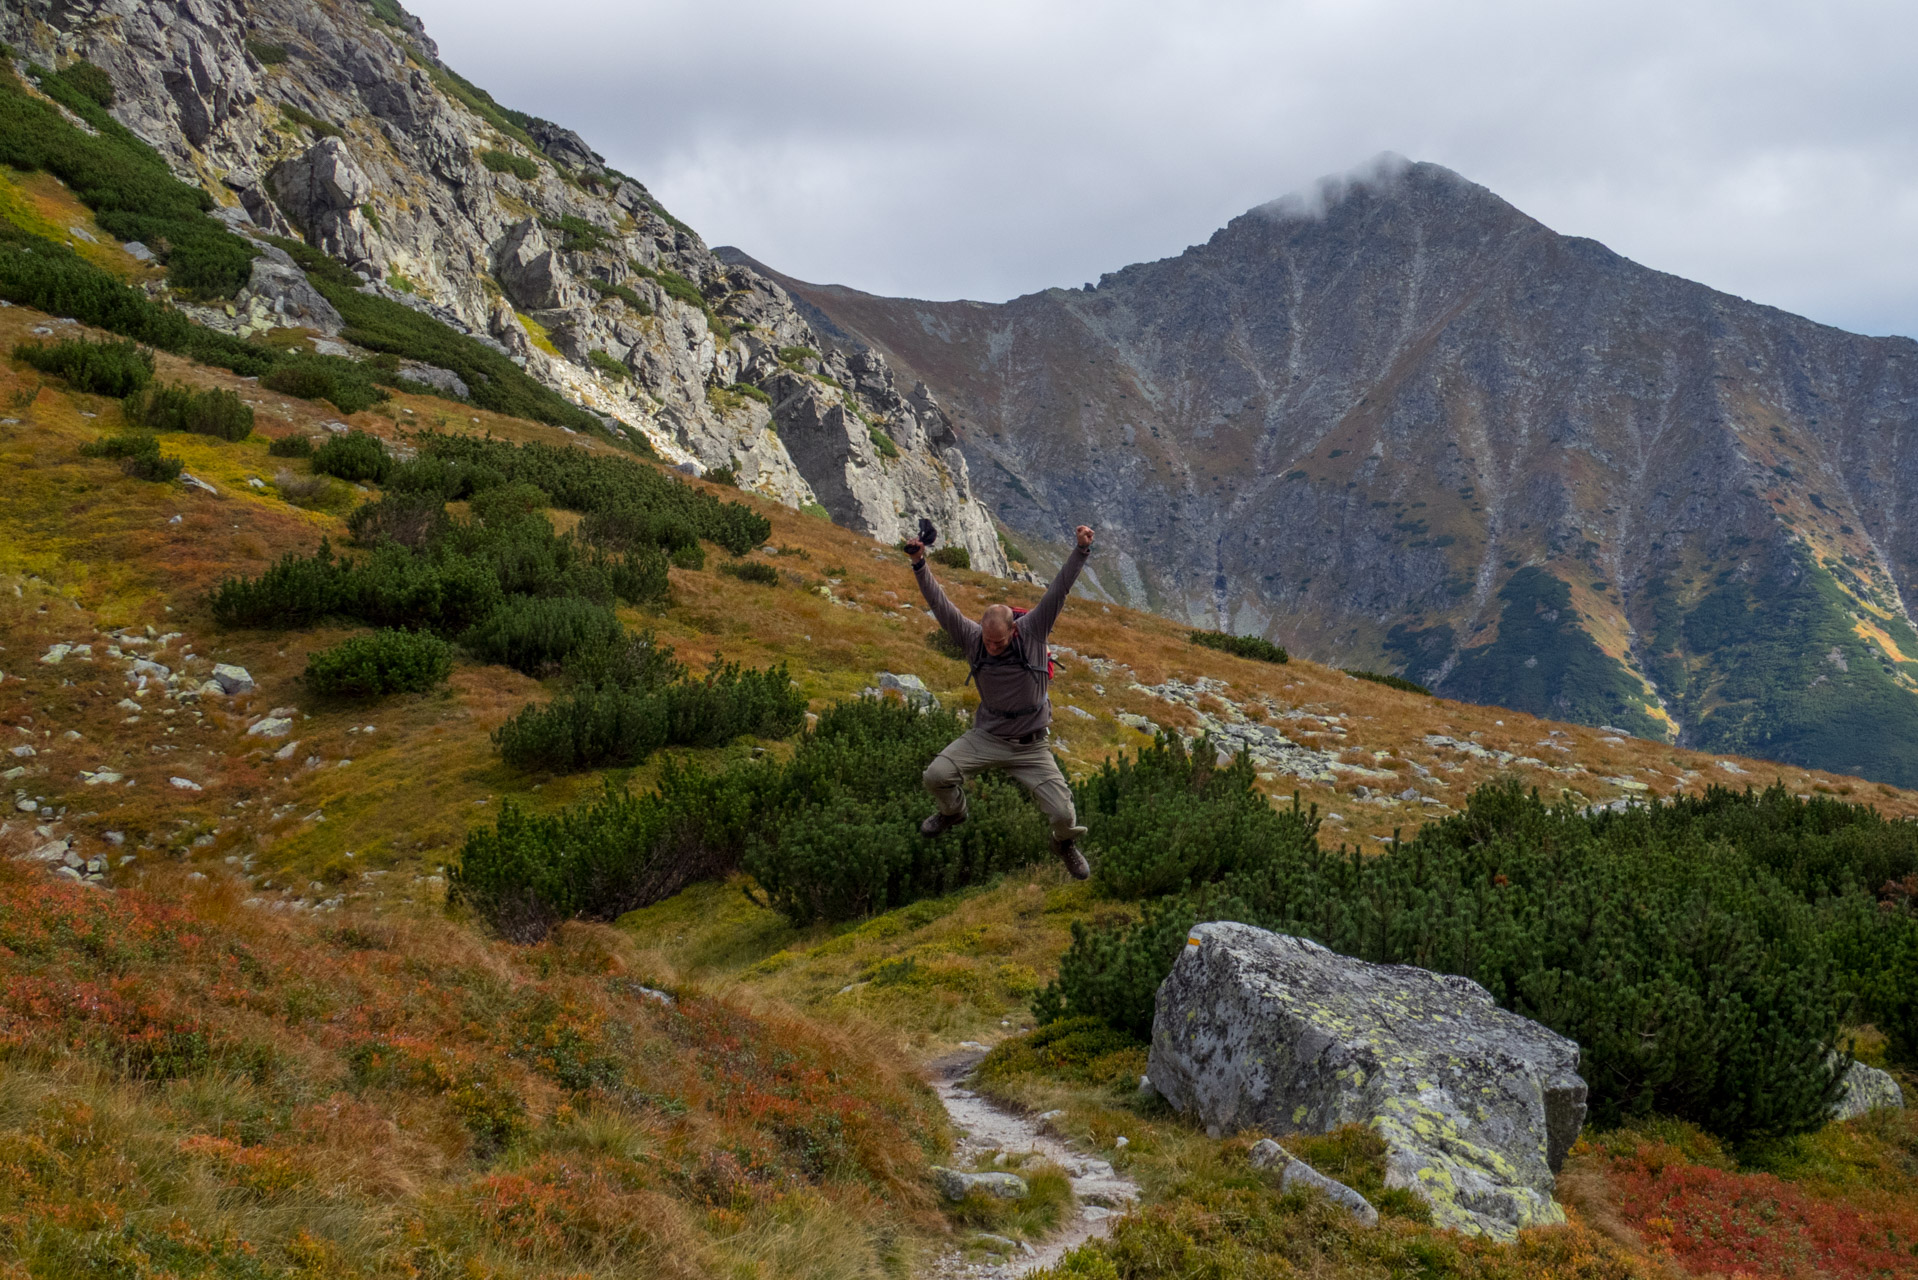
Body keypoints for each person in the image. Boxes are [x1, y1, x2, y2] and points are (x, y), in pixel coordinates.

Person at [906, 523, 1096, 879]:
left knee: (1063, 815)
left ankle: (1064, 843)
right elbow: (940, 604)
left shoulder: (1034, 631)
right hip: (988, 736)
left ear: (1014, 630)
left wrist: (1080, 550)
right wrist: (919, 563)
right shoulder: (972, 638)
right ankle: (953, 813)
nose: (992, 648)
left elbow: (1060, 589)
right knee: (936, 776)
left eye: (999, 642)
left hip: (1031, 746)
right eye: (988, 642)